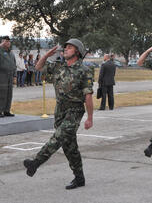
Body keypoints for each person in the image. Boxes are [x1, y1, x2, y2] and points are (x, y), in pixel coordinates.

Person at [23, 38, 94, 190]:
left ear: (77, 51)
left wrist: (90, 118)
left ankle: (35, 163)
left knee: (58, 137)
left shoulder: (84, 70)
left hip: (74, 110)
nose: (65, 49)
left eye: (69, 47)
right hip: (60, 110)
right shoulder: (58, 66)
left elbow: (88, 95)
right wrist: (46, 55)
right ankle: (79, 178)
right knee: (69, 146)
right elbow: (38, 66)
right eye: (66, 47)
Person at [0, 36, 16, 117]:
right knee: (2, 94)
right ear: (2, 42)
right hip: (2, 75)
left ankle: (7, 110)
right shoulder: (1, 51)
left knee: (9, 94)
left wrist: (15, 76)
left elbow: (14, 65)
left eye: (9, 41)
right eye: (6, 41)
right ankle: (0, 111)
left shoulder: (11, 53)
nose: (8, 43)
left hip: (10, 75)